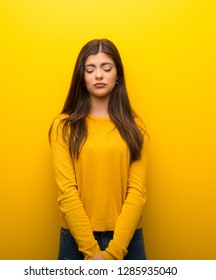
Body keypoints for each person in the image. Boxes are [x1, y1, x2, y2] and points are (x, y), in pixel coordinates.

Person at [49, 38, 148, 260]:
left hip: (128, 240)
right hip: (75, 240)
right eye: (90, 69)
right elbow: (67, 192)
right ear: (81, 77)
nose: (99, 75)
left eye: (106, 68)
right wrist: (92, 252)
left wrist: (113, 253)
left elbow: (137, 193)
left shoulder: (135, 127)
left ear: (118, 75)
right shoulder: (63, 126)